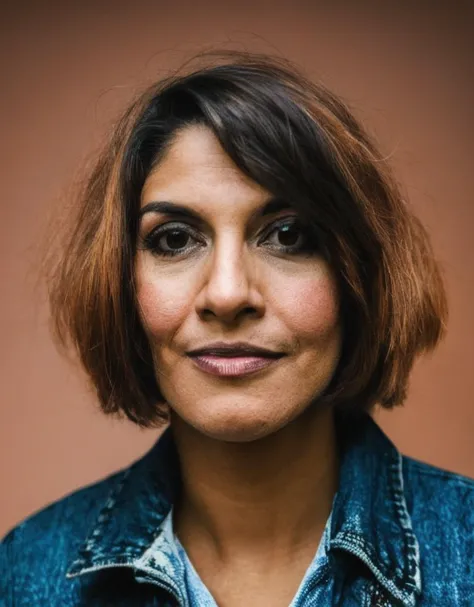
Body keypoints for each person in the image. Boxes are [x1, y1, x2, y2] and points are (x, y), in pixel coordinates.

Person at [1, 50, 472, 607]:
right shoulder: (26, 575)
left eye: (289, 235)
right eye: (175, 239)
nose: (227, 294)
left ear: (358, 277)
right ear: (122, 285)